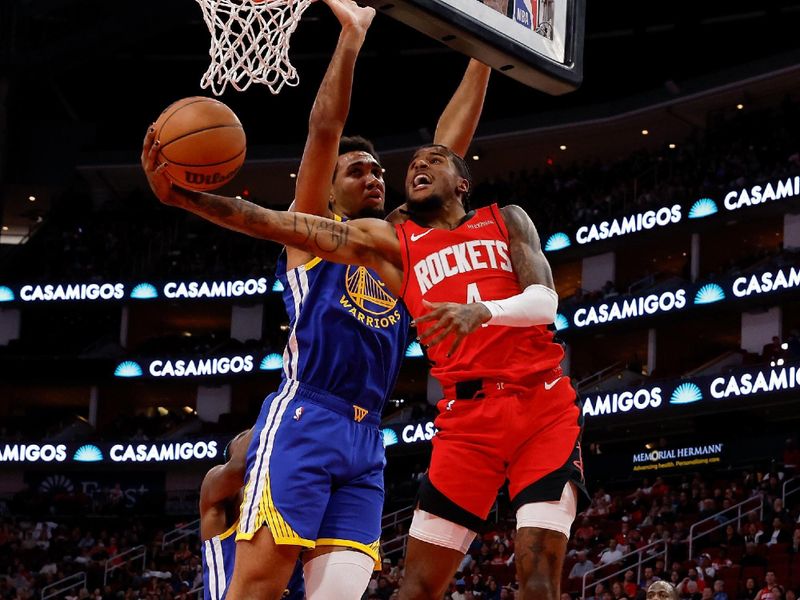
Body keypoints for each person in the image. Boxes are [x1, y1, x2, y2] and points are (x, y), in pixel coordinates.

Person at [146, 0, 489, 597]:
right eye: (357, 171)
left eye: (379, 170)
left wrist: (486, 55)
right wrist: (352, 37)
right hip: (306, 417)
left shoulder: (400, 244)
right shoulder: (314, 236)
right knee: (257, 587)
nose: (375, 176)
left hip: (368, 440)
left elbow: (448, 147)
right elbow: (324, 129)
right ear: (327, 189)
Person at [144, 139, 585, 600]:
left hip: (542, 405)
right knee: (414, 588)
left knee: (537, 578)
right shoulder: (396, 246)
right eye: (413, 163)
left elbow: (545, 302)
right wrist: (186, 199)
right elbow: (283, 224)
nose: (419, 166)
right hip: (466, 421)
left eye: (434, 161)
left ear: (461, 182)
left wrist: (480, 311)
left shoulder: (505, 217)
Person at [199, 430, 304, 600]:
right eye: (243, 438)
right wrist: (275, 412)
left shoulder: (291, 500)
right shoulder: (219, 498)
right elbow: (238, 466)